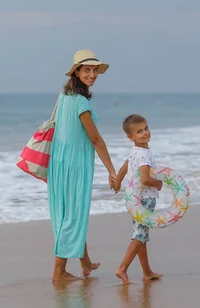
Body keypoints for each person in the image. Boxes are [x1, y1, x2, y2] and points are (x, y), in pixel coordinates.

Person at [48, 49, 117, 282]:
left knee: (69, 215)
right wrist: (111, 170)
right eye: (86, 70)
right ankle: (58, 272)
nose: (92, 74)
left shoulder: (64, 95)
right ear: (76, 72)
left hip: (58, 164)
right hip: (75, 167)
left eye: (94, 70)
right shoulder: (80, 104)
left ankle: (85, 264)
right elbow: (95, 139)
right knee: (73, 217)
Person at [112, 114, 164, 284]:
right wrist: (159, 184)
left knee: (141, 235)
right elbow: (145, 179)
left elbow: (125, 167)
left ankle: (147, 272)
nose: (145, 133)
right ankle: (122, 268)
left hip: (134, 199)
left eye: (146, 128)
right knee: (139, 236)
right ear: (131, 137)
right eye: (139, 131)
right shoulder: (144, 155)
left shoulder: (136, 151)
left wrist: (118, 181)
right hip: (146, 199)